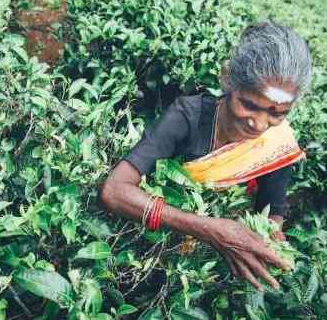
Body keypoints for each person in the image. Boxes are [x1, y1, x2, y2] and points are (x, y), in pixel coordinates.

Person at [99, 21, 313, 292]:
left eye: (277, 113)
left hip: (207, 270)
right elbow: (114, 191)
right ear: (227, 79)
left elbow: (273, 210)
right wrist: (209, 229)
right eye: (248, 105)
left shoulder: (278, 143)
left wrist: (268, 236)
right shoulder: (186, 117)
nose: (259, 125)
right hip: (147, 248)